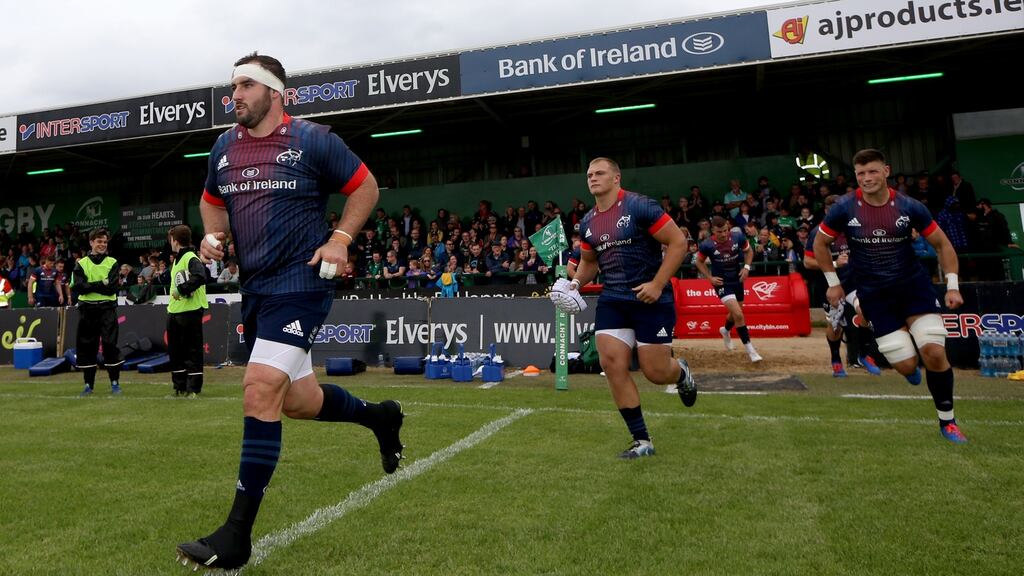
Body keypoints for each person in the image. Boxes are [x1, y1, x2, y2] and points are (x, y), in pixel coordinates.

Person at [176, 53, 405, 571]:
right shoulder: (223, 147)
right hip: (258, 290)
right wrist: (214, 234)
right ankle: (381, 418)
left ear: (275, 92)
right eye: (231, 85)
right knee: (299, 401)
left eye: (245, 85)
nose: (233, 94)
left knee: (258, 386)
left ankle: (236, 535)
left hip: (301, 283)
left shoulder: (313, 139)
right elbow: (211, 199)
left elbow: (364, 186)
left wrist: (341, 239)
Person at [814, 148, 967, 444]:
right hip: (875, 295)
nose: (867, 178)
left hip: (913, 287)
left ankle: (947, 422)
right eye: (861, 174)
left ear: (886, 171)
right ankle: (904, 361)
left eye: (872, 171)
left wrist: (952, 285)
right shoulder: (844, 208)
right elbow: (821, 244)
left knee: (934, 352)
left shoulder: (910, 207)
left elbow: (943, 245)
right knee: (908, 366)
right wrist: (833, 282)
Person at [549, 157, 695, 460]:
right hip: (613, 299)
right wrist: (574, 284)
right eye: (589, 174)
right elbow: (589, 263)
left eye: (600, 173)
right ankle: (642, 440)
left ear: (616, 178)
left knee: (655, 372)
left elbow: (679, 243)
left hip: (651, 297)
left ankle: (680, 373)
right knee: (611, 362)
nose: (593, 178)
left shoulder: (640, 206)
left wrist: (656, 284)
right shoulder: (588, 221)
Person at [803, 194, 880, 377]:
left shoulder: (854, 227)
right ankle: (836, 361)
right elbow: (807, 262)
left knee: (865, 312)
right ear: (827, 211)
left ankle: (863, 355)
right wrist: (836, 264)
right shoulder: (818, 233)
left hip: (855, 282)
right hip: (831, 285)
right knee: (835, 326)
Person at [694, 216, 763, 363]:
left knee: (736, 312)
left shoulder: (737, 236)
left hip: (737, 279)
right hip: (721, 283)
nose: (724, 234)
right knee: (738, 314)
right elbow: (698, 262)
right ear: (713, 230)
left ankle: (725, 330)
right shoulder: (707, 245)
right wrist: (709, 278)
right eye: (720, 232)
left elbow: (749, 252)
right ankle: (751, 351)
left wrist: (746, 267)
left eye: (726, 230)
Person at [70, 228, 122, 396]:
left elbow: (112, 287)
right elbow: (79, 287)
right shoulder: (81, 263)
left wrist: (91, 286)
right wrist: (102, 284)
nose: (102, 245)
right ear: (91, 242)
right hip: (87, 310)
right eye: (99, 241)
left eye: (105, 242)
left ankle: (115, 382)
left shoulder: (112, 262)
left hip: (107, 308)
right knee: (87, 346)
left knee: (109, 344)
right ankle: (88, 385)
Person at [167, 225, 208, 398]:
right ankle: (180, 386)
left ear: (175, 241)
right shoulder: (178, 259)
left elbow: (200, 277)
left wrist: (182, 290)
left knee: (192, 350)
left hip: (190, 311)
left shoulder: (191, 257)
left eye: (171, 240)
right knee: (176, 351)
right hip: (175, 311)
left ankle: (193, 388)